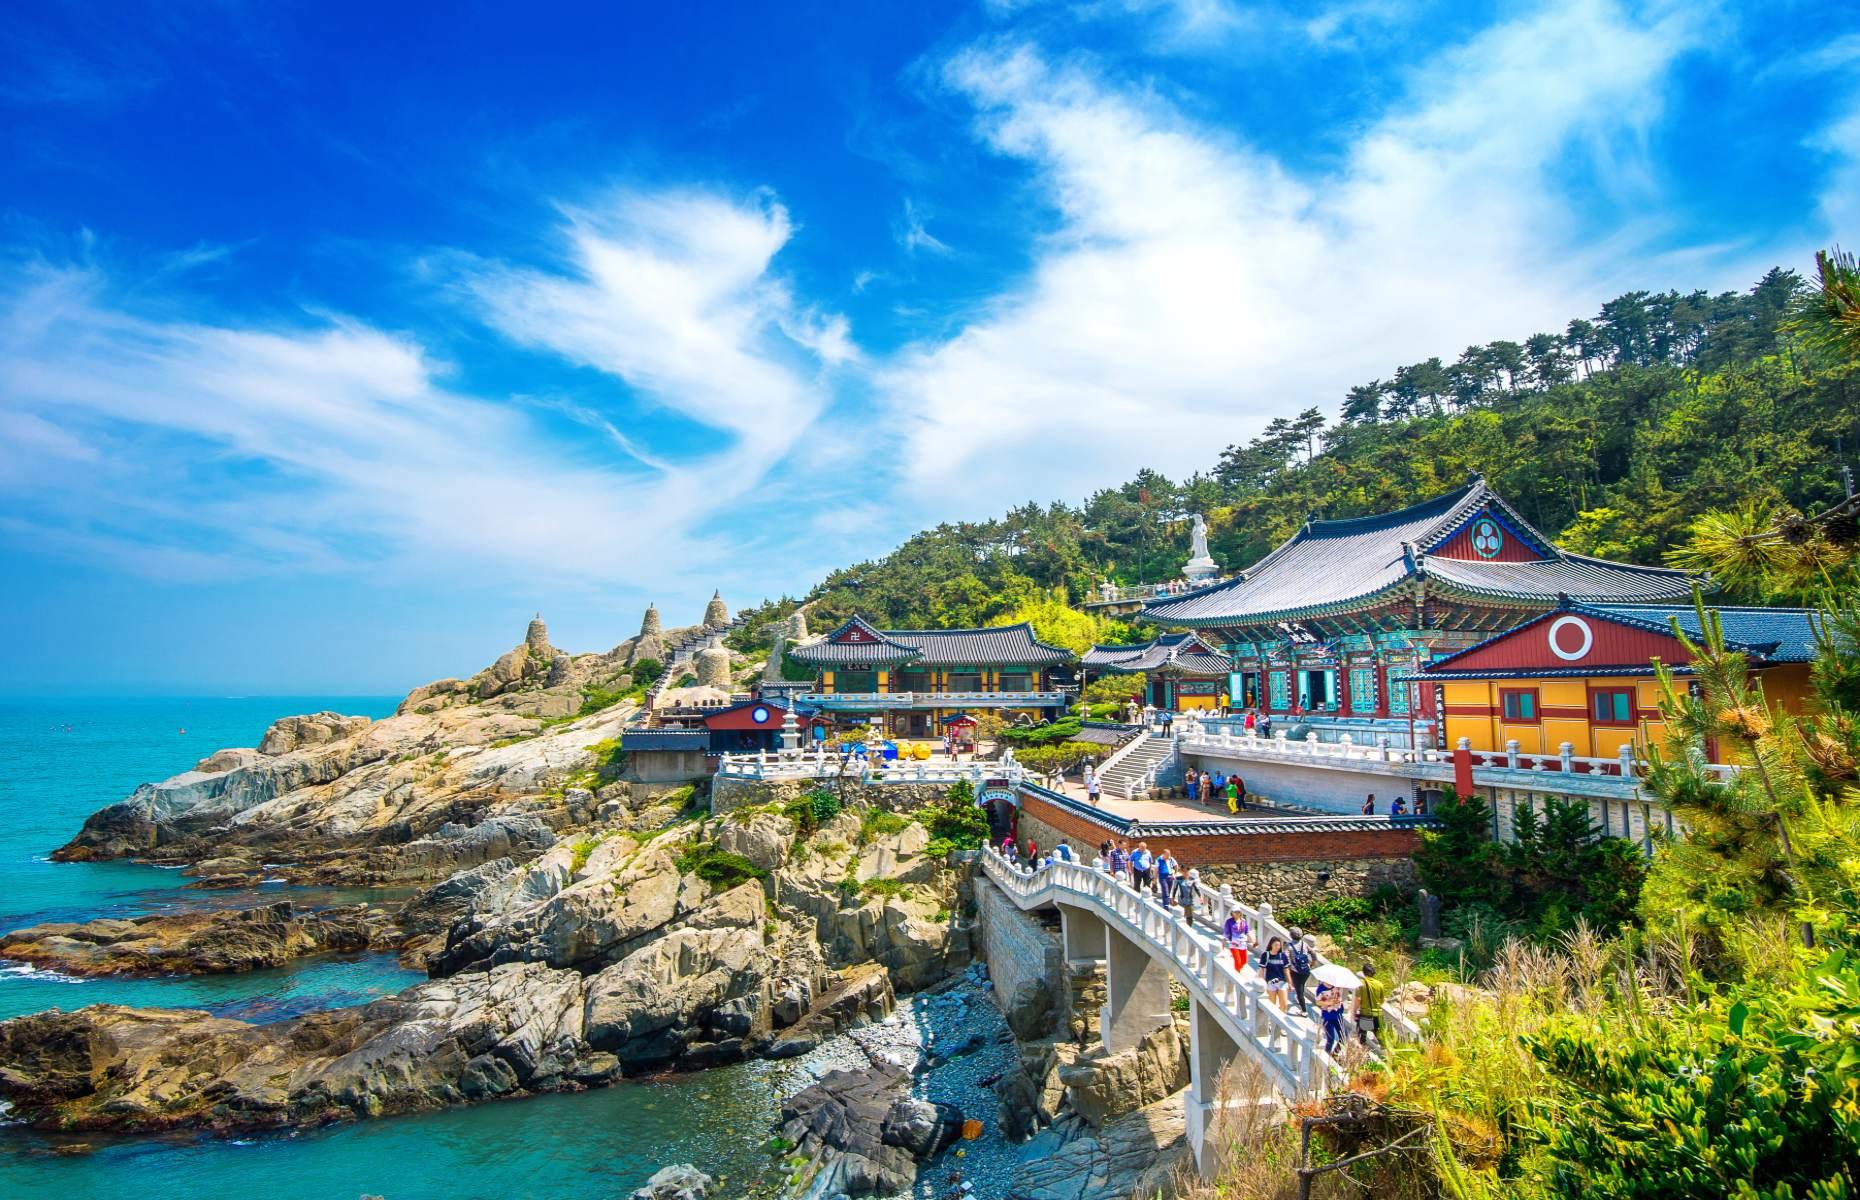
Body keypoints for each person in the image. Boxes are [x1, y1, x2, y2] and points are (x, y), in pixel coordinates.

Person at [1355, 962, 1386, 1047]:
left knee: (1361, 1038)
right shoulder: (1380, 985)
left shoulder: (1360, 984)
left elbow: (1358, 999)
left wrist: (1355, 1012)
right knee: (1381, 1037)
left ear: (1363, 972)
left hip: (1365, 1014)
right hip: (1377, 1015)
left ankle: (1363, 1056)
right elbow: (1382, 1001)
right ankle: (1388, 1054)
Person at [1260, 936, 1292, 1011]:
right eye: (1275, 945)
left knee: (1284, 1005)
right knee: (1271, 1005)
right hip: (1271, 982)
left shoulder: (1283, 955)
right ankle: (1271, 1021)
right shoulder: (1266, 955)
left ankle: (1281, 1020)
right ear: (1271, 945)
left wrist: (1290, 983)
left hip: (1282, 982)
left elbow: (1286, 970)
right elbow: (1262, 969)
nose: (1277, 947)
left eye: (1279, 945)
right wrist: (1263, 982)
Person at [1288, 928, 1315, 1013]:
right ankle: (1299, 997)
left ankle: (1304, 1011)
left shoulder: (1289, 946)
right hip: (1306, 970)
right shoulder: (1305, 944)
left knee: (1299, 991)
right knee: (1301, 986)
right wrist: (1311, 964)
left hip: (1295, 971)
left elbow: (1284, 957)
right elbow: (1314, 954)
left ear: (1291, 935)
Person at [1315, 981, 1346, 1055]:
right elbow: (1318, 1002)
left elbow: (1339, 996)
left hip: (1338, 1014)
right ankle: (1326, 1056)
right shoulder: (1321, 988)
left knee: (1344, 1037)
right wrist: (1329, 1003)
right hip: (1327, 1016)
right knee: (1331, 1038)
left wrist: (1338, 1000)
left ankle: (1335, 1053)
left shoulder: (1337, 985)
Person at [1222, 907, 1250, 973]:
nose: (1237, 913)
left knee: (1244, 961)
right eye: (1235, 912)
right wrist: (1223, 941)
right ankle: (1237, 973)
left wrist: (1253, 940)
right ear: (1232, 913)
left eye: (1238, 912)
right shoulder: (1229, 922)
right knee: (1238, 961)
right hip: (1234, 944)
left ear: (1240, 913)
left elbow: (1247, 931)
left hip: (1243, 943)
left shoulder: (1243, 921)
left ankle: (1236, 970)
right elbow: (1226, 932)